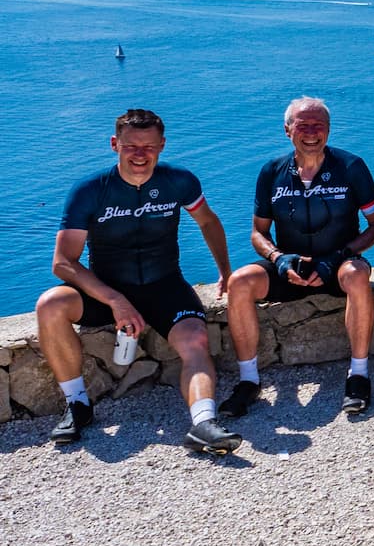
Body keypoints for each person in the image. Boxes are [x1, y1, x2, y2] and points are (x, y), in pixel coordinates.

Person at [35, 109, 241, 453]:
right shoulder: (89, 190)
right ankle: (78, 406)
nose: (140, 155)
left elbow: (208, 222)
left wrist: (225, 271)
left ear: (162, 146)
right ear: (115, 144)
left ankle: (204, 423)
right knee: (49, 304)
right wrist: (115, 300)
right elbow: (63, 262)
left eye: (149, 146)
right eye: (131, 146)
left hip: (165, 286)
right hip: (107, 289)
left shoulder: (179, 181)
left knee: (196, 342)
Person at [217, 97, 374, 418]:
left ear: (329, 130)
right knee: (239, 282)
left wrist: (338, 257)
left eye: (318, 126)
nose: (311, 132)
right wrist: (278, 258)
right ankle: (248, 381)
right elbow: (257, 233)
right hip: (290, 267)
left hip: (339, 264)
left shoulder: (351, 167)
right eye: (303, 125)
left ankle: (359, 375)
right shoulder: (271, 172)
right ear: (287, 130)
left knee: (357, 275)